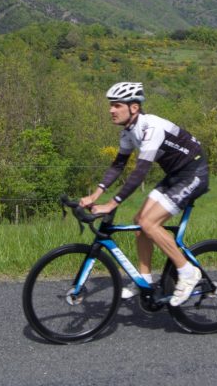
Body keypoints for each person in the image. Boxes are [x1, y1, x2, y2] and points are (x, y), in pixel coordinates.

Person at [80, 82, 209, 307]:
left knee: (149, 224)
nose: (111, 110)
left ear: (134, 108)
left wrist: (111, 204)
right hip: (175, 174)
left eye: (117, 105)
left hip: (193, 173)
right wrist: (95, 195)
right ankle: (145, 279)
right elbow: (118, 165)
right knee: (140, 223)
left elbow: (140, 172)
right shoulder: (128, 132)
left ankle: (188, 272)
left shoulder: (152, 128)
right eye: (111, 105)